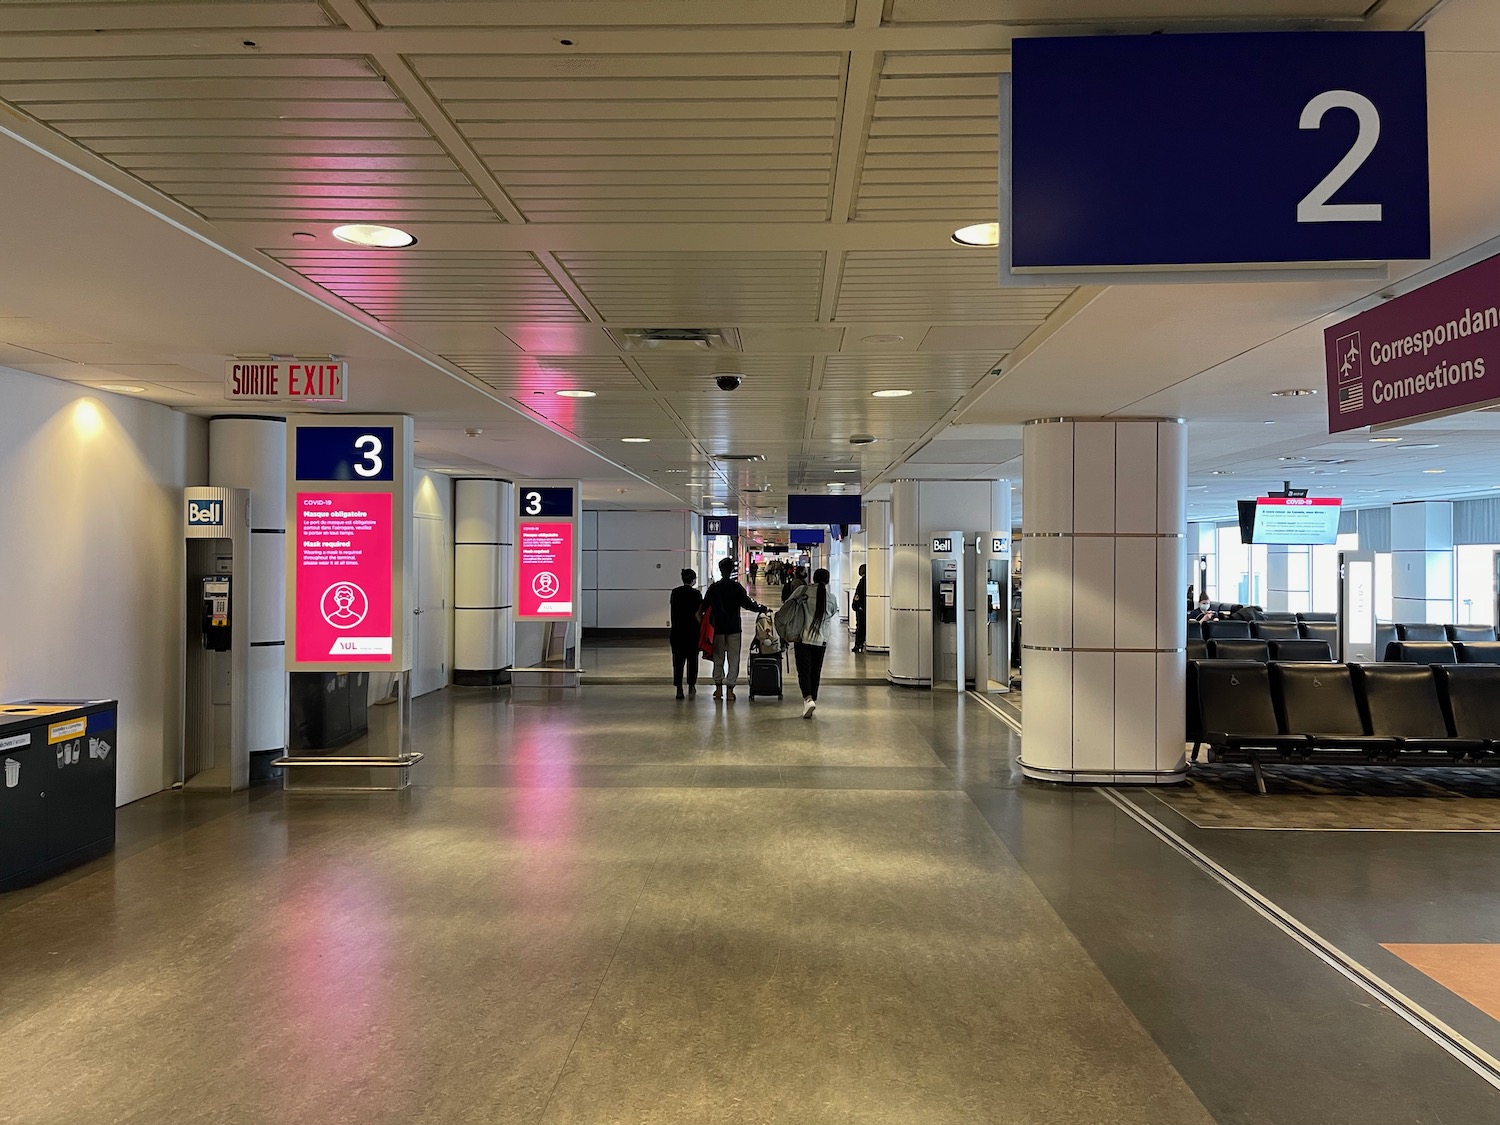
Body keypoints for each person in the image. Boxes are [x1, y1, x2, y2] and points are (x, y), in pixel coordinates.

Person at [699, 558, 768, 700]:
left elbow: (704, 607)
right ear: (732, 571)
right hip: (733, 627)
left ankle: (718, 689)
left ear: (720, 569)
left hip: (717, 628)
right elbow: (748, 604)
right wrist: (762, 608)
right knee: (733, 658)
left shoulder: (714, 588)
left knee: (718, 658)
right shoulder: (736, 587)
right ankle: (730, 689)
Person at [782, 568, 842, 718]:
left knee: (804, 671)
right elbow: (832, 613)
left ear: (813, 578)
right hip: (821, 641)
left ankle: (808, 699)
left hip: (803, 638)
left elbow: (788, 604)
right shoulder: (831, 598)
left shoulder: (803, 591)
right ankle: (812, 699)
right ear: (827, 581)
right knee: (816, 671)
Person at [669, 568, 702, 700]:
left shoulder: (675, 593)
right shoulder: (696, 594)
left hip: (677, 632)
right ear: (693, 580)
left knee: (678, 661)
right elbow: (697, 614)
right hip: (692, 632)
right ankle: (691, 686)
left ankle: (679, 688)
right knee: (692, 661)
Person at [851, 563, 867, 653]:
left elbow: (858, 595)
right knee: (861, 626)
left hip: (860, 608)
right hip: (862, 607)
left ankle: (858, 644)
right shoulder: (866, 580)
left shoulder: (863, 581)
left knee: (860, 626)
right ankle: (860, 643)